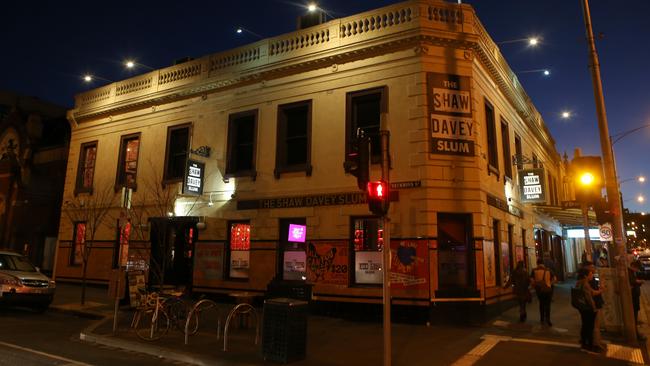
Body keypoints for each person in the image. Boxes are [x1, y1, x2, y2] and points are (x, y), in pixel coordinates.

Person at [576, 267, 600, 353]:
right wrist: (594, 308)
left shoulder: (578, 282)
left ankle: (583, 343)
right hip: (587, 308)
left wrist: (600, 290)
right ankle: (589, 345)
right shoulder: (585, 284)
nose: (592, 275)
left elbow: (591, 292)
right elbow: (589, 298)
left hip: (581, 307)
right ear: (586, 275)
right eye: (590, 274)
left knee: (584, 325)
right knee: (589, 327)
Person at [584, 261, 606, 349]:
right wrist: (602, 290)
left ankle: (596, 341)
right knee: (595, 325)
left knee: (595, 325)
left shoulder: (590, 279)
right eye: (592, 267)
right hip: (594, 304)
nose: (594, 269)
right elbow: (592, 293)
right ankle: (596, 343)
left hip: (594, 304)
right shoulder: (586, 282)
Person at [531, 258, 556, 326]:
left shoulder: (534, 270)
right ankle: (548, 319)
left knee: (541, 304)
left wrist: (534, 286)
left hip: (539, 290)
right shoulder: (549, 270)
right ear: (543, 263)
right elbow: (554, 279)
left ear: (537, 263)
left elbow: (532, 281)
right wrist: (550, 284)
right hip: (548, 290)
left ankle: (542, 318)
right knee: (548, 305)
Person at [629, 260, 646, 341]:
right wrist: (639, 282)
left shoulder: (632, 272)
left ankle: (636, 332)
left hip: (635, 297)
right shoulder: (629, 272)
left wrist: (638, 282)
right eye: (637, 268)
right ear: (633, 266)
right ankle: (635, 334)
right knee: (633, 316)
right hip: (632, 298)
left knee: (635, 315)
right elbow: (632, 282)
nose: (637, 270)